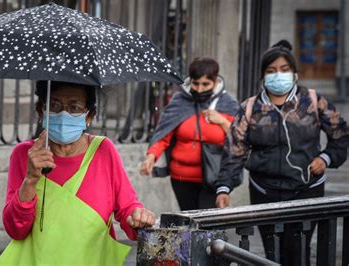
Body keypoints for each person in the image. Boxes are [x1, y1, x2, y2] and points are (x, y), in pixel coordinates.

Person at [214, 40, 349, 265]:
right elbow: (235, 150)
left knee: (298, 251)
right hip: (264, 192)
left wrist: (325, 158)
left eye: (284, 70)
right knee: (272, 253)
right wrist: (224, 188)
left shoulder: (313, 101)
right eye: (272, 71)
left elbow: (341, 135)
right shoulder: (250, 108)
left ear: (294, 73)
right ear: (263, 76)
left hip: (307, 190)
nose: (279, 75)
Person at [0, 81, 155, 265]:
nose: (64, 114)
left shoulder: (104, 151)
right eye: (54, 105)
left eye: (74, 107)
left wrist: (138, 217)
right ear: (41, 111)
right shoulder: (24, 155)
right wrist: (30, 179)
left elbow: (128, 209)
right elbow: (15, 230)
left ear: (89, 116)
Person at [139, 57, 240, 210]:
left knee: (207, 227)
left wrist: (222, 122)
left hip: (213, 178)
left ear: (216, 82)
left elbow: (239, 139)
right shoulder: (179, 100)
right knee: (190, 224)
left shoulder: (228, 104)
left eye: (205, 84)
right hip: (181, 178)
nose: (199, 89)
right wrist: (150, 157)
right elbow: (164, 134)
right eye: (196, 83)